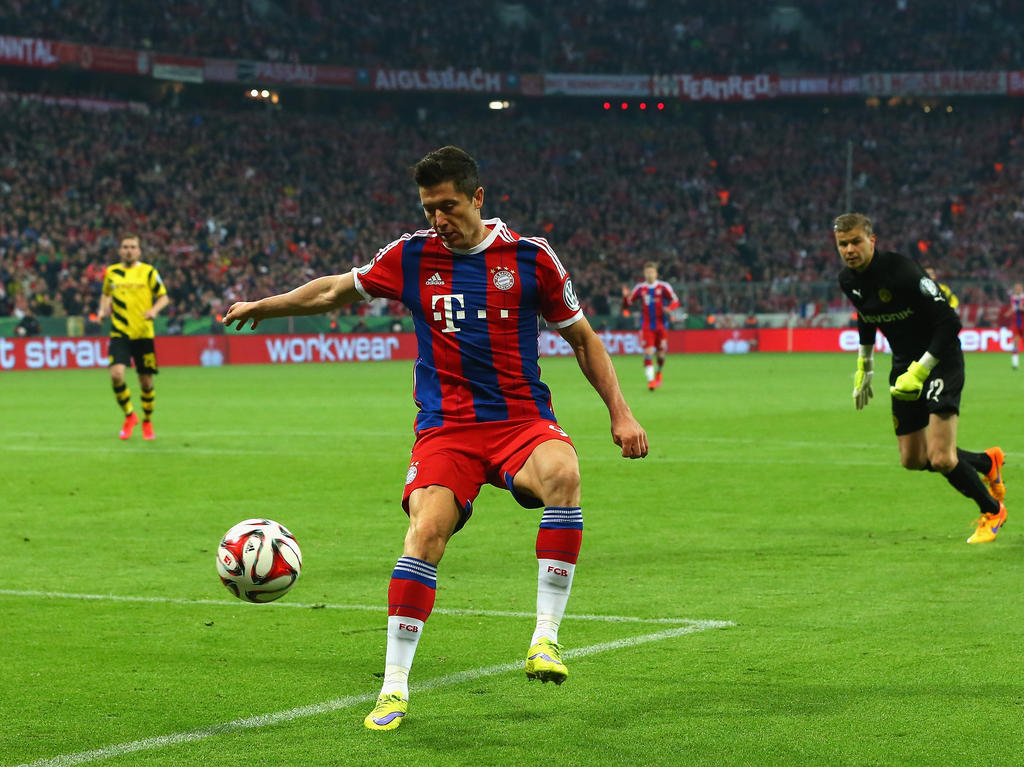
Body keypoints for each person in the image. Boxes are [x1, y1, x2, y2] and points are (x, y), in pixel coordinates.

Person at [223, 145, 648, 731]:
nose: (437, 220)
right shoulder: (412, 255)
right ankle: (394, 687)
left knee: (564, 475)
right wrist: (265, 308)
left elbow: (583, 338)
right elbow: (331, 291)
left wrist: (620, 414)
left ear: (477, 198)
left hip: (520, 421)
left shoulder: (530, 258)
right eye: (429, 209)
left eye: (447, 206)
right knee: (425, 533)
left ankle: (545, 638)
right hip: (446, 430)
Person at [835, 213, 1006, 544]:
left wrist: (922, 368)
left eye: (856, 241)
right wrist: (865, 365)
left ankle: (993, 510)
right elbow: (866, 315)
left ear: (872, 240)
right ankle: (987, 462)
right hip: (902, 366)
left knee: (941, 458)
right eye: (843, 244)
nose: (850, 249)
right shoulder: (847, 279)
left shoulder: (904, 271)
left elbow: (950, 323)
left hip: (940, 359)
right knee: (913, 459)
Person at [96, 234, 169, 440]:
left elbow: (163, 297)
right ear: (120, 250)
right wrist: (102, 310)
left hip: (143, 333)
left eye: (132, 247)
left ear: (138, 251)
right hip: (120, 332)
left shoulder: (149, 272)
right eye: (125, 246)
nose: (129, 250)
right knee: (116, 375)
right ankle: (130, 415)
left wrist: (154, 310)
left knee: (146, 382)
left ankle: (147, 421)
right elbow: (106, 294)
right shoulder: (112, 272)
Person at [622, 262, 679, 390]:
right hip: (647, 327)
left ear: (656, 273)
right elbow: (628, 305)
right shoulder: (640, 288)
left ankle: (659, 372)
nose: (649, 274)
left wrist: (670, 308)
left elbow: (675, 301)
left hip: (662, 326)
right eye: (647, 272)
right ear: (644, 273)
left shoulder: (664, 287)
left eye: (652, 272)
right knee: (648, 353)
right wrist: (625, 298)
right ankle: (651, 381)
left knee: (660, 355)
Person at [1010, 282, 1023, 371]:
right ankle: (1015, 363)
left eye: (1019, 288)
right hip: (1015, 323)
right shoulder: (1013, 298)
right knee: (1015, 341)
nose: (1017, 290)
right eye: (1016, 288)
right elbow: (1014, 309)